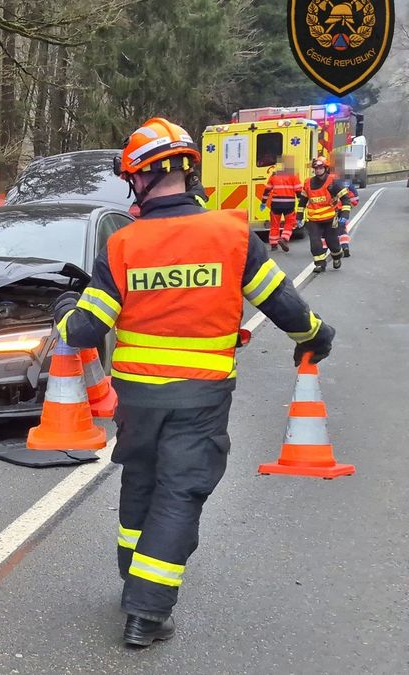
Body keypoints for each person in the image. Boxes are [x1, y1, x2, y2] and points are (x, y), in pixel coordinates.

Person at [53, 118, 335, 648]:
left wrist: (65, 307)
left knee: (141, 480)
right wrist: (317, 336)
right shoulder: (230, 234)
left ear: (140, 177)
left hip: (135, 398)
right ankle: (147, 612)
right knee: (180, 491)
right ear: (187, 170)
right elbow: (283, 305)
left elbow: (85, 330)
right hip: (200, 397)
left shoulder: (123, 244)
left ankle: (132, 582)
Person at [297, 156, 351, 273]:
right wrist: (299, 217)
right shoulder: (308, 183)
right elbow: (302, 202)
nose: (317, 170)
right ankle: (320, 264)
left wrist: (344, 215)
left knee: (332, 242)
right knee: (315, 242)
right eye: (315, 168)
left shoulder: (333, 182)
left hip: (329, 218)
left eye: (320, 167)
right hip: (313, 220)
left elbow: (346, 199)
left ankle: (337, 256)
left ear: (325, 168)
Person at [260, 157, 302, 251]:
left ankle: (273, 244)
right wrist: (301, 202)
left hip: (276, 204)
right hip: (289, 204)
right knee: (289, 222)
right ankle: (284, 238)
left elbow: (267, 190)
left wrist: (263, 202)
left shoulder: (274, 175)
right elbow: (298, 190)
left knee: (274, 224)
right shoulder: (294, 175)